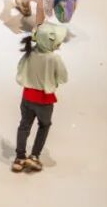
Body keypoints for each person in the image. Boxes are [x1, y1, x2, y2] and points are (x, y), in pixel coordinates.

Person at [12, 22, 68, 173]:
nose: (59, 44)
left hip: (27, 97)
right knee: (44, 125)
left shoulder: (29, 54)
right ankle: (34, 156)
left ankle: (19, 158)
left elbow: (20, 70)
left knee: (24, 125)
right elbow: (63, 78)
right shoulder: (54, 59)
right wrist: (52, 80)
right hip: (44, 100)